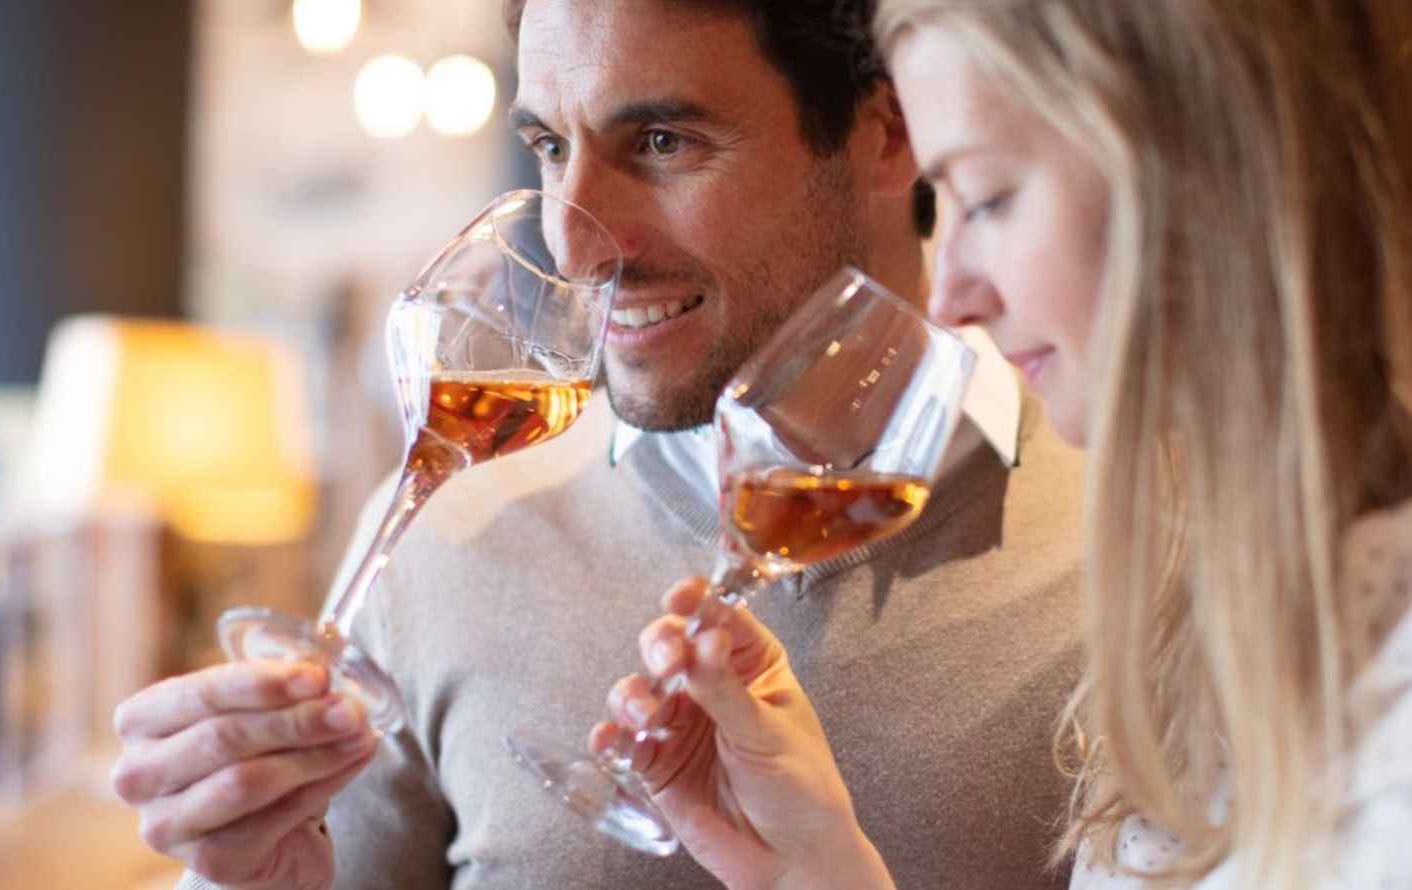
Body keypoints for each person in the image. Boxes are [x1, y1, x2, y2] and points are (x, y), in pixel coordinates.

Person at [108, 1, 1088, 888]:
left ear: (887, 130)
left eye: (662, 141)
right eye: (546, 144)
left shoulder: (1162, 531)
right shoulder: (458, 531)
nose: (575, 249)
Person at [600, 0, 1412, 888]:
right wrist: (822, 874)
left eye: (986, 197)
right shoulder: (1227, 615)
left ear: (1217, 165)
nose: (951, 296)